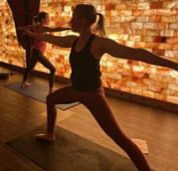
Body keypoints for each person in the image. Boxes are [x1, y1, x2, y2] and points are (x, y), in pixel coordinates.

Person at [22, 4, 177, 171]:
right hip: (76, 90)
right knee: (50, 99)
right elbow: (52, 39)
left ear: (82, 21)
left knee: (119, 138)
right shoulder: (74, 40)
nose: (70, 21)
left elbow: (137, 53)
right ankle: (50, 134)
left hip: (93, 96)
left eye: (73, 18)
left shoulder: (99, 43)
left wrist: (173, 65)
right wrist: (33, 34)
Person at [19, 12, 70, 94]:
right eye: (48, 18)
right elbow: (54, 29)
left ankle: (23, 83)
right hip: (38, 53)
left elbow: (27, 27)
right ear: (43, 20)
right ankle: (51, 90)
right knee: (52, 69)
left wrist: (21, 28)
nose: (49, 20)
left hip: (35, 51)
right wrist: (66, 28)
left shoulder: (36, 27)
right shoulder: (43, 28)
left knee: (29, 68)